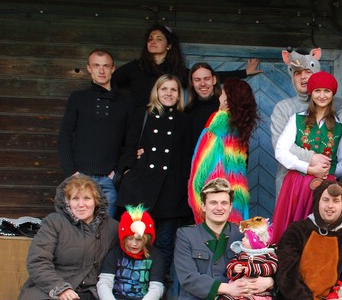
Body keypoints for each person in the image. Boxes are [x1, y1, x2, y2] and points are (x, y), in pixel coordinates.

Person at [116, 74, 193, 277]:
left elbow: (187, 155)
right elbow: (128, 145)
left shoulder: (184, 120)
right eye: (164, 89)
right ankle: (132, 283)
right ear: (156, 92)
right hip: (141, 187)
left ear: (179, 95)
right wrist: (127, 170)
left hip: (170, 191)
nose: (168, 93)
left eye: (173, 89)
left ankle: (159, 283)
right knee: (135, 238)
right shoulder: (142, 114)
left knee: (165, 242)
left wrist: (185, 182)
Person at [271, 71, 342, 243]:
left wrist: (326, 172)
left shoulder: (339, 127)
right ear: (311, 92)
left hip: (325, 187)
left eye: (326, 91)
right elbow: (280, 150)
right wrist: (308, 168)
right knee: (293, 234)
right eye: (317, 91)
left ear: (332, 94)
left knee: (322, 234)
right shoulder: (296, 119)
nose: (322, 95)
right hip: (296, 185)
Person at [268, 48, 342, 196]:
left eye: (308, 71)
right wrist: (311, 159)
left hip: (325, 186)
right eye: (297, 73)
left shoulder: (336, 104)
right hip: (292, 186)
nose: (303, 77)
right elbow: (280, 146)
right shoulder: (283, 108)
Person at [57, 49, 135, 218]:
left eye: (106, 66)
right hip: (79, 179)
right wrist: (72, 173)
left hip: (108, 180)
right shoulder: (78, 98)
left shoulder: (126, 103)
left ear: (113, 69)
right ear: (89, 68)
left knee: (105, 230)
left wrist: (116, 173)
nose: (101, 70)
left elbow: (131, 143)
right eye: (96, 66)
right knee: (76, 230)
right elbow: (64, 137)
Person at [113, 24, 261, 108]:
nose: (153, 41)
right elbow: (111, 82)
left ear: (169, 45)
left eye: (159, 39)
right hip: (137, 122)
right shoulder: (135, 67)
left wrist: (244, 72)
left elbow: (206, 77)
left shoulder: (176, 72)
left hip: (165, 123)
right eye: (150, 39)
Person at [188, 78, 260, 225]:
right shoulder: (239, 126)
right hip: (235, 194)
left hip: (216, 195)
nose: (219, 96)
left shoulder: (218, 123)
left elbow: (204, 164)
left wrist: (198, 196)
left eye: (222, 94)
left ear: (227, 100)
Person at [204, 216, 278, 300]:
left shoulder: (268, 255)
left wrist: (250, 269)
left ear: (256, 241)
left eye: (246, 238)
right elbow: (231, 265)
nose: (242, 240)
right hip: (238, 290)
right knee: (224, 299)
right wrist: (234, 269)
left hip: (257, 295)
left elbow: (271, 267)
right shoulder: (241, 254)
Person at [185, 62, 261, 146]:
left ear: (214, 80)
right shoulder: (187, 111)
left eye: (207, 79)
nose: (202, 83)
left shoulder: (226, 107)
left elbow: (239, 143)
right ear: (192, 83)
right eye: (197, 80)